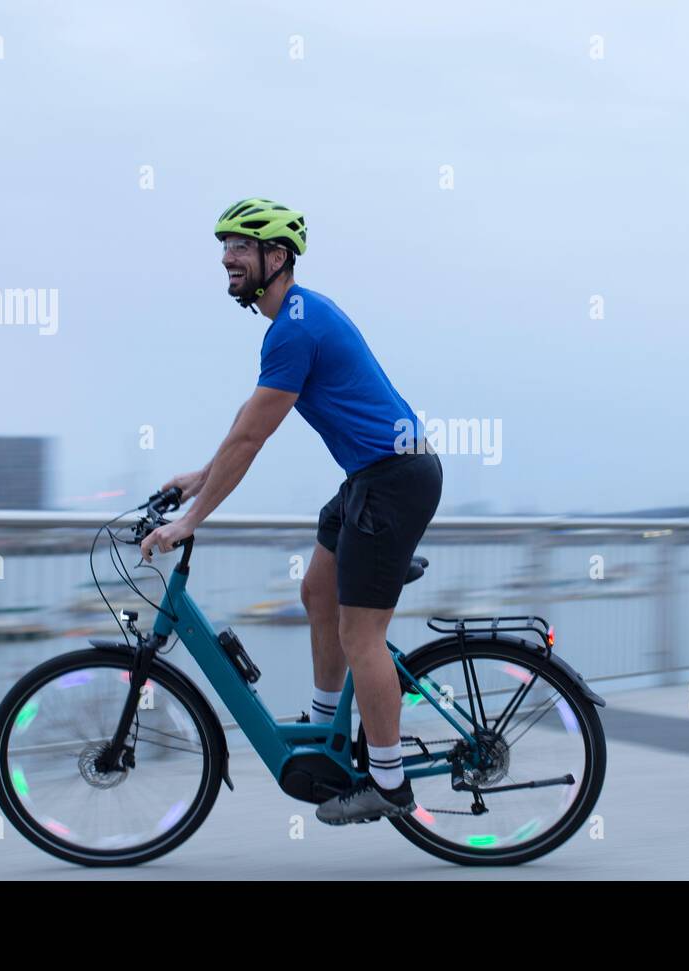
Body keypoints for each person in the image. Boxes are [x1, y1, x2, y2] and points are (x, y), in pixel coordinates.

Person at [140, 198, 442, 825]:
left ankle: (388, 784)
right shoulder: (295, 322)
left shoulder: (295, 328)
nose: (227, 257)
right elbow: (248, 422)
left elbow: (253, 439)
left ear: (277, 258)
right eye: (224, 247)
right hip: (372, 476)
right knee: (316, 591)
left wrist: (190, 521)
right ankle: (325, 724)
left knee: (363, 636)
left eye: (241, 247)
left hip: (393, 481)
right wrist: (200, 478)